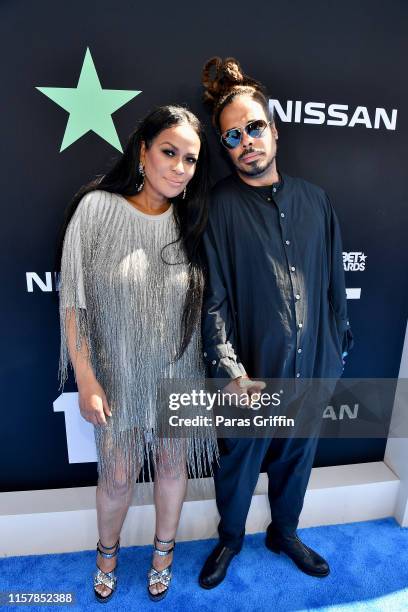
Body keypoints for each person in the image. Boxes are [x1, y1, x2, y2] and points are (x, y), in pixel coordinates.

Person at [198, 57, 354, 589]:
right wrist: (230, 369)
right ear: (225, 146)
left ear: (274, 130)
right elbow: (213, 297)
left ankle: (284, 533)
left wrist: (334, 357)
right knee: (239, 463)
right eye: (233, 136)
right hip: (251, 372)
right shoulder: (218, 207)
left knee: (299, 455)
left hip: (312, 367)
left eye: (254, 128)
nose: (246, 142)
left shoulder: (317, 201)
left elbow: (335, 287)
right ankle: (230, 539)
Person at [57, 105, 217, 603]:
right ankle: (107, 555)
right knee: (119, 476)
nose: (178, 167)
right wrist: (86, 377)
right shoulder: (97, 209)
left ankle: (163, 555)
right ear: (143, 151)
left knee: (173, 468)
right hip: (117, 372)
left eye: (189, 160)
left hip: (180, 371)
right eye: (169, 152)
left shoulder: (194, 223)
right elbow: (73, 301)